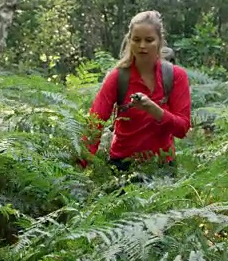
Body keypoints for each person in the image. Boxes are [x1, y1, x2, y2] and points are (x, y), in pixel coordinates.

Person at [79, 10, 192, 172]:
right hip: (122, 167)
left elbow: (182, 129)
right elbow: (94, 124)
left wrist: (154, 110)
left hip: (162, 168)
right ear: (129, 41)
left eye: (149, 40)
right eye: (137, 40)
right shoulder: (118, 77)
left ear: (160, 42)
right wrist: (79, 169)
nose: (142, 46)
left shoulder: (175, 76)